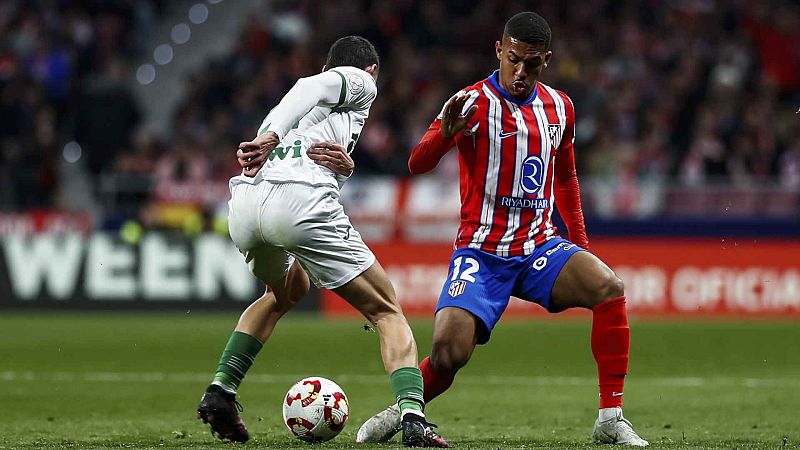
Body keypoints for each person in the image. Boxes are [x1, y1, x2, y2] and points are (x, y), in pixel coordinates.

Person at [356, 13, 649, 447]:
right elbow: (416, 163)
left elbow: (566, 179)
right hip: (481, 252)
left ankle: (610, 417)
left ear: (546, 61)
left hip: (539, 248)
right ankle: (403, 410)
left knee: (609, 286)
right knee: (449, 353)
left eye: (531, 64)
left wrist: (580, 246)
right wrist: (445, 136)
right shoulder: (469, 102)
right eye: (513, 60)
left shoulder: (560, 107)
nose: (520, 71)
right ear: (499, 51)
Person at [196, 36, 448, 448]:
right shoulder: (358, 81)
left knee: (286, 290)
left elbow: (312, 146)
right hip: (298, 204)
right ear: (368, 72)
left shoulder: (302, 112)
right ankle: (413, 417)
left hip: (246, 206)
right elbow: (308, 86)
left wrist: (344, 170)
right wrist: (273, 136)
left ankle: (221, 390)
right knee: (386, 310)